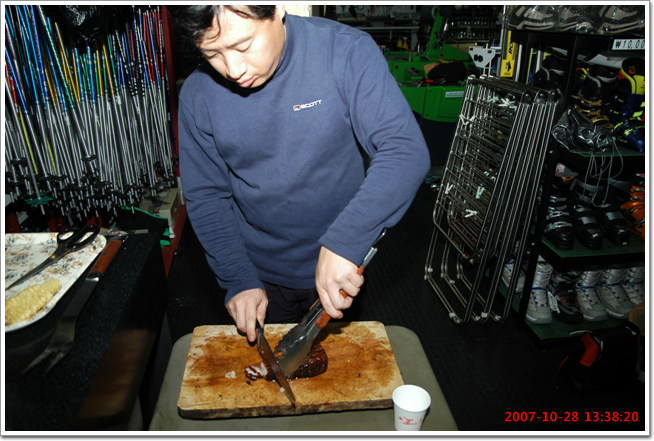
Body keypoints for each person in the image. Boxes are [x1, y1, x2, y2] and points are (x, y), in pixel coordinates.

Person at [168, 5, 430, 342]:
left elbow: (403, 150)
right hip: (257, 273)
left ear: (277, 8)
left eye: (243, 46)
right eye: (212, 54)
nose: (233, 69)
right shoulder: (198, 94)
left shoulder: (345, 51)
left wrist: (345, 242)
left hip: (341, 263)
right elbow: (207, 196)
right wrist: (237, 277)